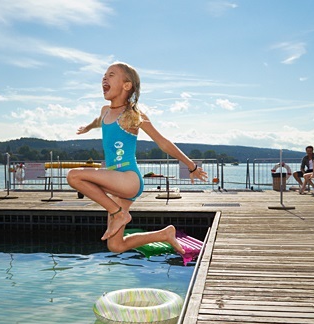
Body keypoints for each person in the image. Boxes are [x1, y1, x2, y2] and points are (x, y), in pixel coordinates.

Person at [67, 62, 208, 254]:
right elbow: (99, 121)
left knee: (74, 176)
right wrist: (88, 127)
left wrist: (191, 166)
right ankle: (165, 234)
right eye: (104, 75)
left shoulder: (132, 114)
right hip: (115, 182)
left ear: (126, 85)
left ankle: (119, 214)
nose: (104, 78)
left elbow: (163, 142)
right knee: (115, 245)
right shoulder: (105, 111)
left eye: (111, 75)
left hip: (128, 178)